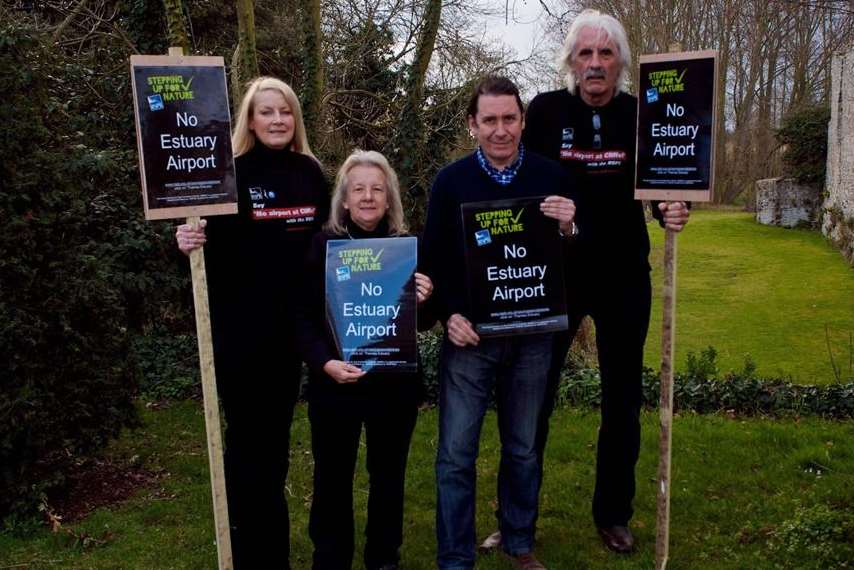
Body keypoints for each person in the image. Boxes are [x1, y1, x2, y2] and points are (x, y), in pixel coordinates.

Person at [521, 9, 690, 554]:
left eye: (605, 54)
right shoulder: (545, 113)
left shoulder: (644, 116)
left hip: (623, 278)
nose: (595, 64)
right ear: (571, 60)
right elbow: (519, 186)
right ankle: (518, 517)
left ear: (621, 61)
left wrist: (674, 209)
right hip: (557, 277)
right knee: (534, 396)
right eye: (585, 54)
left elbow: (669, 189)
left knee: (622, 399)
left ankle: (613, 513)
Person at [422, 76, 576, 570]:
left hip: (532, 337)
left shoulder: (553, 176)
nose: (500, 130)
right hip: (470, 338)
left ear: (523, 121)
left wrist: (571, 226)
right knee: (455, 456)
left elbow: (575, 261)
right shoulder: (451, 182)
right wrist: (448, 315)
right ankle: (454, 556)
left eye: (509, 118)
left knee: (524, 449)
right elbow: (432, 261)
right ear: (473, 125)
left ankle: (519, 542)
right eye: (489, 120)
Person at [175, 76, 328, 569]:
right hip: (242, 336)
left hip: (292, 339)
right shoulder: (228, 174)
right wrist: (187, 242)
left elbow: (328, 248)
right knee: (246, 454)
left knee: (276, 451)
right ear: (250, 120)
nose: (277, 120)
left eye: (284, 111)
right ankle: (247, 555)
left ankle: (273, 555)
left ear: (295, 118)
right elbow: (207, 253)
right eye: (267, 112)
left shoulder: (310, 173)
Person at [295, 150, 434, 570]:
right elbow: (301, 315)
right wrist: (324, 363)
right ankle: (331, 556)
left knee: (388, 478)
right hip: (336, 384)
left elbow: (422, 323)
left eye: (377, 189)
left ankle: (382, 557)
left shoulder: (406, 249)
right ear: (345, 199)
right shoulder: (322, 247)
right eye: (359, 189)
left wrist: (426, 300)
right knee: (332, 478)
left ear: (389, 199)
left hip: (393, 387)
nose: (369, 197)